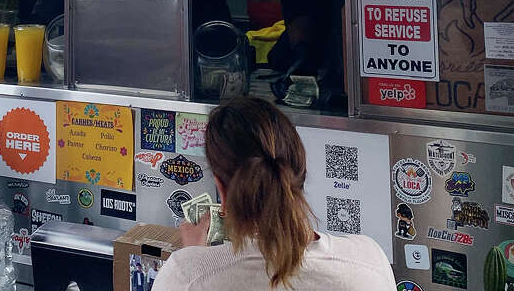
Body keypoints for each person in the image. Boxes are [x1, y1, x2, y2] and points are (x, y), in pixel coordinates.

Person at [152, 97, 395, 291]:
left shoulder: (186, 276)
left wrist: (194, 259)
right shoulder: (369, 259)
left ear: (222, 191)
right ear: (301, 172)